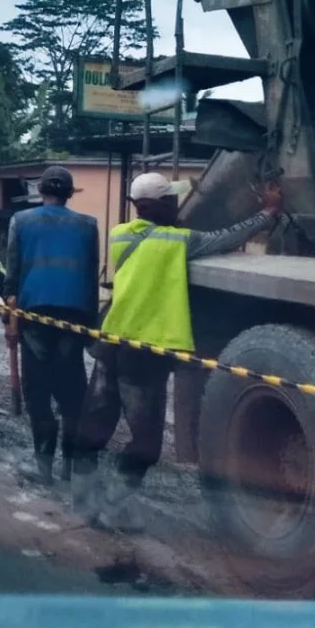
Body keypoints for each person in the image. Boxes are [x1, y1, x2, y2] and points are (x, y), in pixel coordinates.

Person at [71, 172, 282, 529]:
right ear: (157, 204)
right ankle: (110, 505)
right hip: (146, 353)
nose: (177, 203)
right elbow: (226, 238)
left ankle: (82, 498)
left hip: (110, 344)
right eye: (171, 199)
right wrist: (269, 213)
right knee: (147, 442)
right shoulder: (178, 240)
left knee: (95, 424)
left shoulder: (122, 234)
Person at [4, 165, 101, 485]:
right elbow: (90, 277)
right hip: (74, 319)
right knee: (73, 392)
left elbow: (13, 275)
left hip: (35, 317)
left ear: (41, 191)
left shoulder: (21, 221)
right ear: (69, 194)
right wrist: (89, 324)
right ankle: (70, 467)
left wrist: (10, 310)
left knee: (38, 390)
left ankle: (43, 468)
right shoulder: (89, 225)